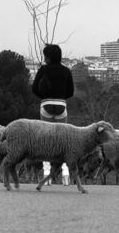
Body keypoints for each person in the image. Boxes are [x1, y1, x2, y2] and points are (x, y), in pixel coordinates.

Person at [32, 44, 74, 186]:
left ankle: (47, 174)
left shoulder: (43, 70)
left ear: (48, 56)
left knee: (46, 139)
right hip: (61, 105)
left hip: (46, 105)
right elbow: (71, 92)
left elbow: (34, 88)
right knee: (63, 140)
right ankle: (65, 174)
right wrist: (61, 96)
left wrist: (44, 96)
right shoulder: (66, 71)